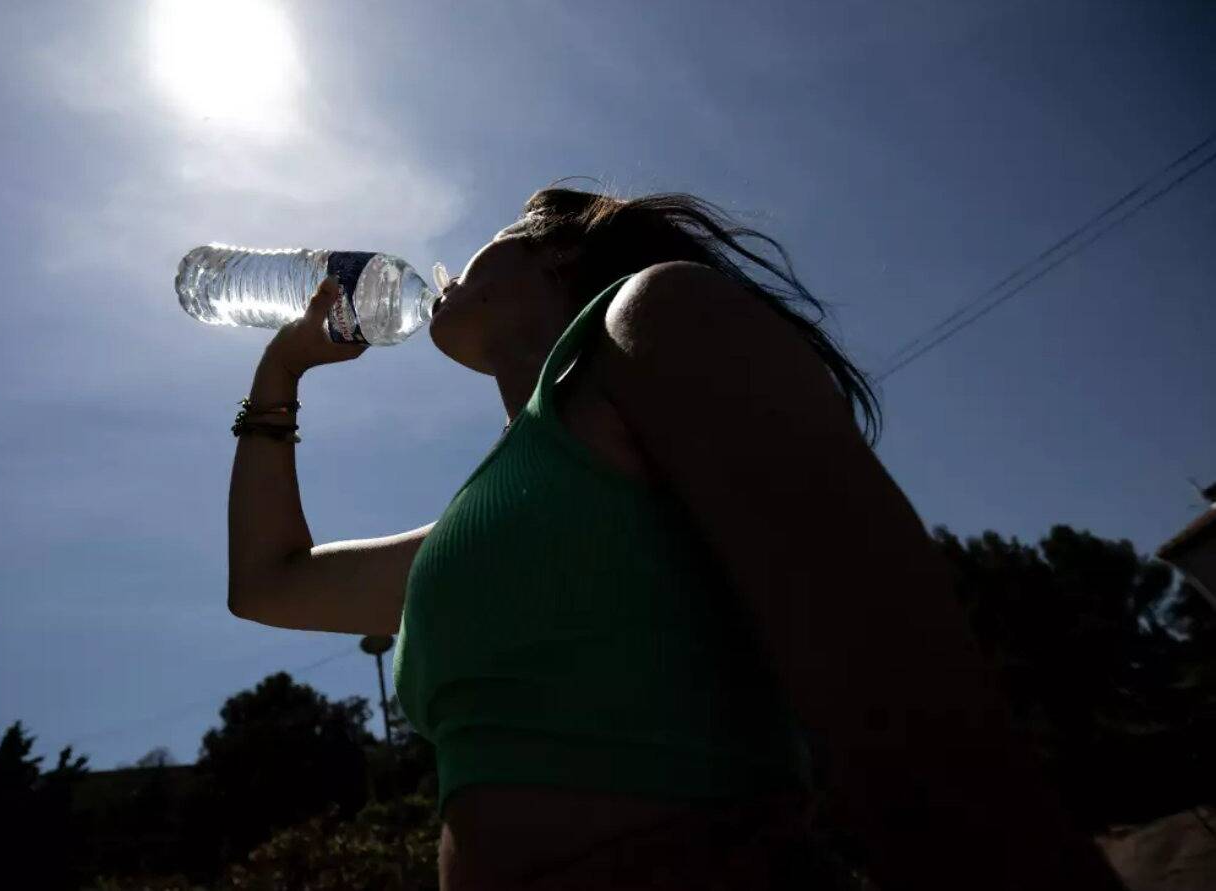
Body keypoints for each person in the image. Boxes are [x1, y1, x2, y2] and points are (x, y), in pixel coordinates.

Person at [226, 180, 1127, 890]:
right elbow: (268, 584)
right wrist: (281, 368)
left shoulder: (656, 314)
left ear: (558, 251)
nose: (448, 269)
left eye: (492, 233)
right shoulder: (490, 523)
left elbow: (903, 681)